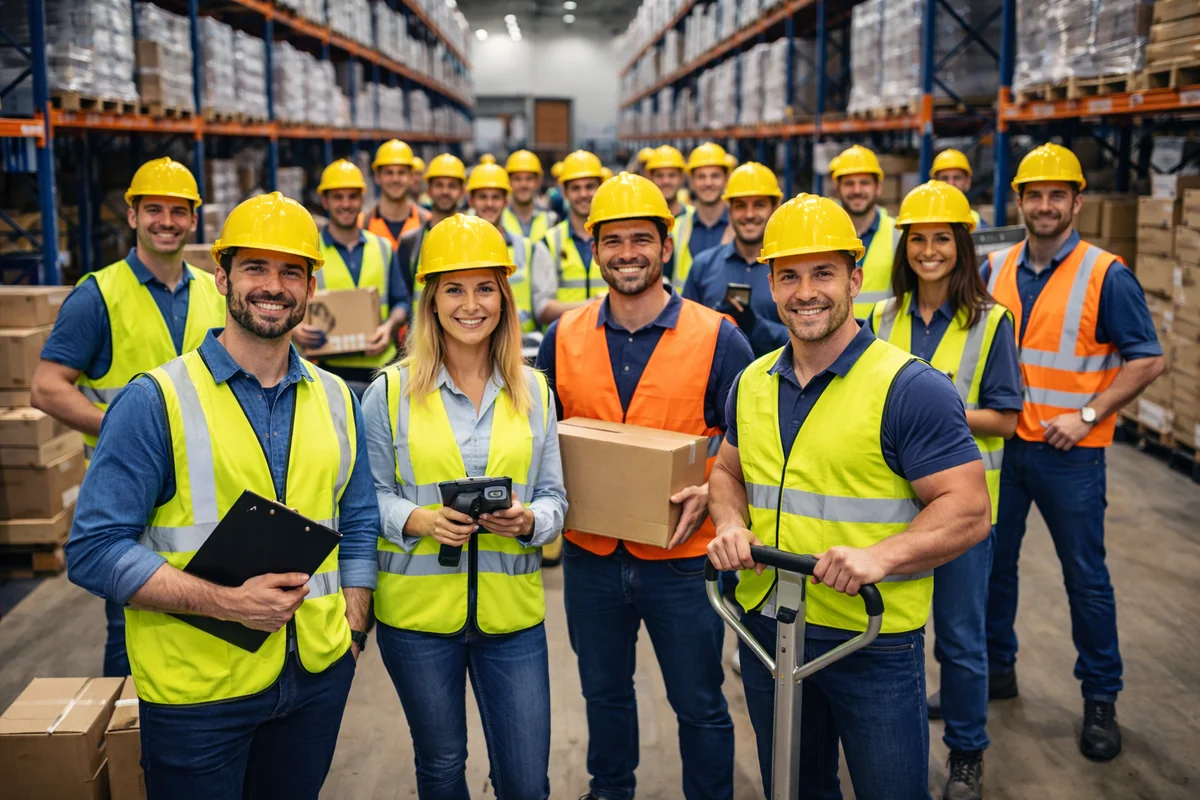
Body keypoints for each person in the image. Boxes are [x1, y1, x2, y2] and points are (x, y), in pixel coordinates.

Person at [64, 192, 378, 798]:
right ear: (221, 276)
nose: (274, 286)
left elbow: (359, 519)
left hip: (314, 676)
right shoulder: (156, 400)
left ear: (311, 287)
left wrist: (353, 629)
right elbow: (94, 549)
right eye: (255, 268)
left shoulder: (340, 398)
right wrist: (227, 603)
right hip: (198, 695)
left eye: (292, 271)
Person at [706, 192, 993, 800]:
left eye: (823, 274)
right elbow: (727, 472)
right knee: (797, 788)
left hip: (869, 639)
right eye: (789, 276)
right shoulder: (751, 383)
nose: (805, 291)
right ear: (770, 286)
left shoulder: (909, 387)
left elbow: (968, 509)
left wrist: (880, 558)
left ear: (855, 279)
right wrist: (730, 523)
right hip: (768, 626)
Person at [536, 173, 754, 800]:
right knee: (603, 693)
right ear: (593, 248)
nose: (626, 252)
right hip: (592, 556)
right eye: (612, 240)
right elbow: (541, 437)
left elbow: (749, 446)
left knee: (699, 701)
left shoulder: (718, 337)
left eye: (641, 239)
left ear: (666, 247)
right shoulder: (565, 336)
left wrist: (712, 482)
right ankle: (611, 790)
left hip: (684, 561)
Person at [364, 214, 566, 800]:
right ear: (430, 301)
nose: (470, 304)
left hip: (513, 620)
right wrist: (418, 520)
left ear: (504, 299)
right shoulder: (388, 393)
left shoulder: (536, 393)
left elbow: (556, 500)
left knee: (527, 781)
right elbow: (366, 499)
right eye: (453, 288)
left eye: (485, 288)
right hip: (419, 621)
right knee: (443, 766)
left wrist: (530, 522)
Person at [983, 143, 1165, 762]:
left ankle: (1100, 700)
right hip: (1006, 451)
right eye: (1033, 195)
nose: (1044, 205)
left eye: (1056, 195)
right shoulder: (998, 267)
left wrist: (1087, 413)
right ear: (1019, 201)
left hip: (1072, 455)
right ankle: (994, 673)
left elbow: (1149, 358)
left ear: (1076, 201)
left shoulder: (1105, 273)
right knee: (991, 570)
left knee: (1085, 580)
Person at [31, 157, 225, 679]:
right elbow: (47, 387)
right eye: (155, 209)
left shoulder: (216, 291)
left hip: (212, 496)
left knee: (214, 623)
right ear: (133, 214)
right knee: (133, 629)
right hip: (132, 496)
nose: (167, 221)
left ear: (193, 219)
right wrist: (119, 428)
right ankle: (127, 746)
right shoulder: (97, 296)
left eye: (179, 211)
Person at [867, 180, 1023, 800]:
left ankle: (966, 753)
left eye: (941, 239)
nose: (929, 251)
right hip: (888, 508)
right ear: (904, 248)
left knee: (960, 640)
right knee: (888, 635)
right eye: (918, 240)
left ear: (962, 247)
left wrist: (933, 414)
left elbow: (1007, 419)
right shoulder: (879, 317)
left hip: (961, 515)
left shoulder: (991, 321)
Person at [294, 159, 411, 396]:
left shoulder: (383, 247)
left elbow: (402, 302)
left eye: (352, 197)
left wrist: (389, 328)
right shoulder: (307, 250)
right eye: (338, 197)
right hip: (328, 371)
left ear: (361, 200)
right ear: (324, 201)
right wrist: (295, 329)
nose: (346, 204)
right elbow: (288, 301)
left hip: (380, 370)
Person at [684, 162, 789, 356]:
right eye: (740, 206)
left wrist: (756, 326)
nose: (749, 215)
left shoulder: (791, 268)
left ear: (775, 207)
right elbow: (685, 337)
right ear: (729, 209)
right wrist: (715, 322)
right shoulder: (703, 266)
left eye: (759, 205)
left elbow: (805, 338)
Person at [467, 161, 557, 331]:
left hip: (523, 348)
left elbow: (541, 305)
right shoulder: (459, 249)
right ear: (471, 200)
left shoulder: (530, 249)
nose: (489, 204)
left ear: (505, 201)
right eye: (482, 197)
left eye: (496, 197)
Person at [830, 144, 898, 318]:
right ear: (837, 188)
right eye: (849, 184)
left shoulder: (898, 234)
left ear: (878, 187)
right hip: (833, 341)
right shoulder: (824, 234)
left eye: (864, 183)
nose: (857, 190)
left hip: (882, 340)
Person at [542, 150, 607, 321]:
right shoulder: (549, 241)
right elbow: (541, 309)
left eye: (589, 186)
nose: (583, 194)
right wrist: (592, 305)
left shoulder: (616, 237)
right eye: (576, 188)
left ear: (600, 188)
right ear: (565, 192)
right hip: (565, 339)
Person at [397, 153, 467, 301]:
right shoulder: (410, 242)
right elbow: (404, 298)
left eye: (452, 185)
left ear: (462, 191)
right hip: (421, 324)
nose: (445, 191)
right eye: (439, 185)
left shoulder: (473, 238)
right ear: (428, 190)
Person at [681, 142, 735, 284]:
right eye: (701, 177)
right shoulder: (677, 228)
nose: (708, 183)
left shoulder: (740, 226)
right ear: (691, 181)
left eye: (715, 176)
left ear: (726, 179)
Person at [362, 139, 431, 249]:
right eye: (389, 172)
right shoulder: (362, 224)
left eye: (401, 172)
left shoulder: (428, 223)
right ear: (377, 177)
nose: (395, 179)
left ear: (411, 176)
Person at [646, 145, 696, 282]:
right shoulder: (640, 220)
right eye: (660, 176)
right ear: (650, 178)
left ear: (681, 178)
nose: (666, 181)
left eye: (671, 175)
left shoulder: (695, 218)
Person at [503, 150, 557, 240]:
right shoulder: (499, 219)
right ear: (509, 182)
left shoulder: (552, 220)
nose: (523, 184)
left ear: (538, 182)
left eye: (529, 179)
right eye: (517, 179)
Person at [931, 149, 989, 229]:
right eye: (945, 178)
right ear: (935, 182)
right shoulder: (923, 217)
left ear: (967, 182)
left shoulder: (978, 223)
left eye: (957, 178)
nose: (951, 183)